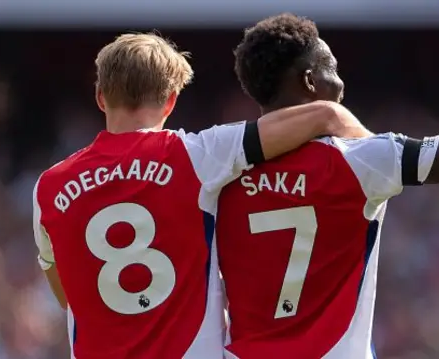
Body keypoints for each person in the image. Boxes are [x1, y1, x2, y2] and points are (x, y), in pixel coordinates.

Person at [32, 33, 365, 359]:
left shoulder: (49, 185)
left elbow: (66, 294)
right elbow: (325, 116)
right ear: (171, 100)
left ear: (101, 97)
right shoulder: (197, 155)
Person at [216, 4, 439, 358]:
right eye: (334, 71)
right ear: (310, 81)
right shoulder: (359, 160)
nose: (341, 86)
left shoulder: (217, 169)